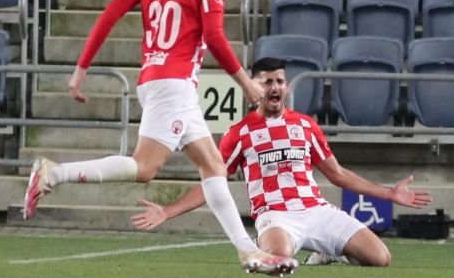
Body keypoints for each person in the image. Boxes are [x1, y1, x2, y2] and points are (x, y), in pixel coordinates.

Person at [23, 0, 297, 276]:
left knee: (214, 166)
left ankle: (249, 252)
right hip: (174, 84)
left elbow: (108, 16)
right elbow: (214, 36)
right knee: (145, 167)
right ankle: (54, 173)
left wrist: (80, 69)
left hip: (156, 79)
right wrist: (245, 81)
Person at [130, 57, 432, 266]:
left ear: (286, 86)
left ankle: (329, 252)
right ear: (253, 87)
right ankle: (288, 247)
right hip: (275, 215)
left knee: (381, 258)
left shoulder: (306, 125)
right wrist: (168, 211)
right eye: (267, 82)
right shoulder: (240, 133)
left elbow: (338, 174)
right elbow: (213, 184)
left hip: (317, 210)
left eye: (280, 81)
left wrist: (389, 194)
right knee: (278, 261)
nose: (275, 88)